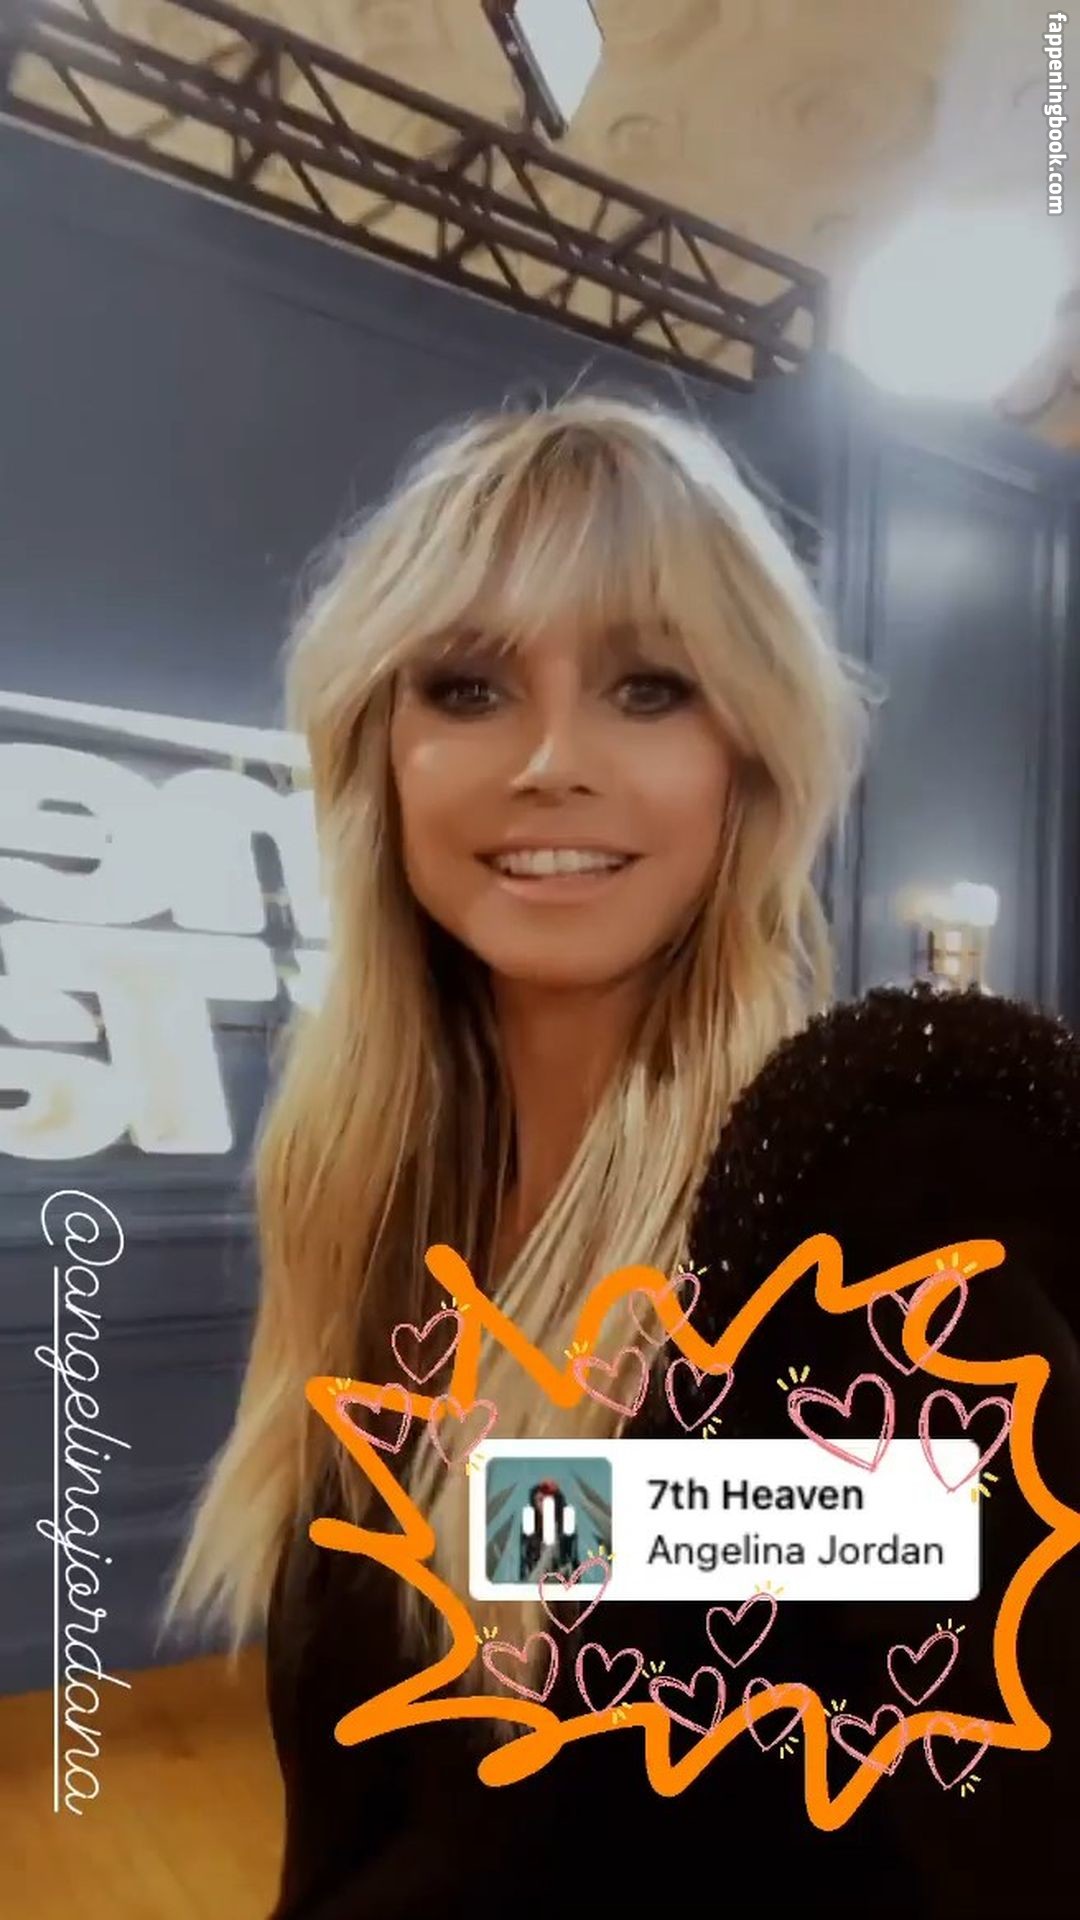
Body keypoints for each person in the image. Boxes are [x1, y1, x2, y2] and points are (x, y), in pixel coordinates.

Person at [161, 391, 1080, 1917]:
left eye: (649, 688)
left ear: (749, 758)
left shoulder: (860, 1222)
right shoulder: (373, 1193)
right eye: (467, 687)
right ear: (383, 753)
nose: (550, 761)